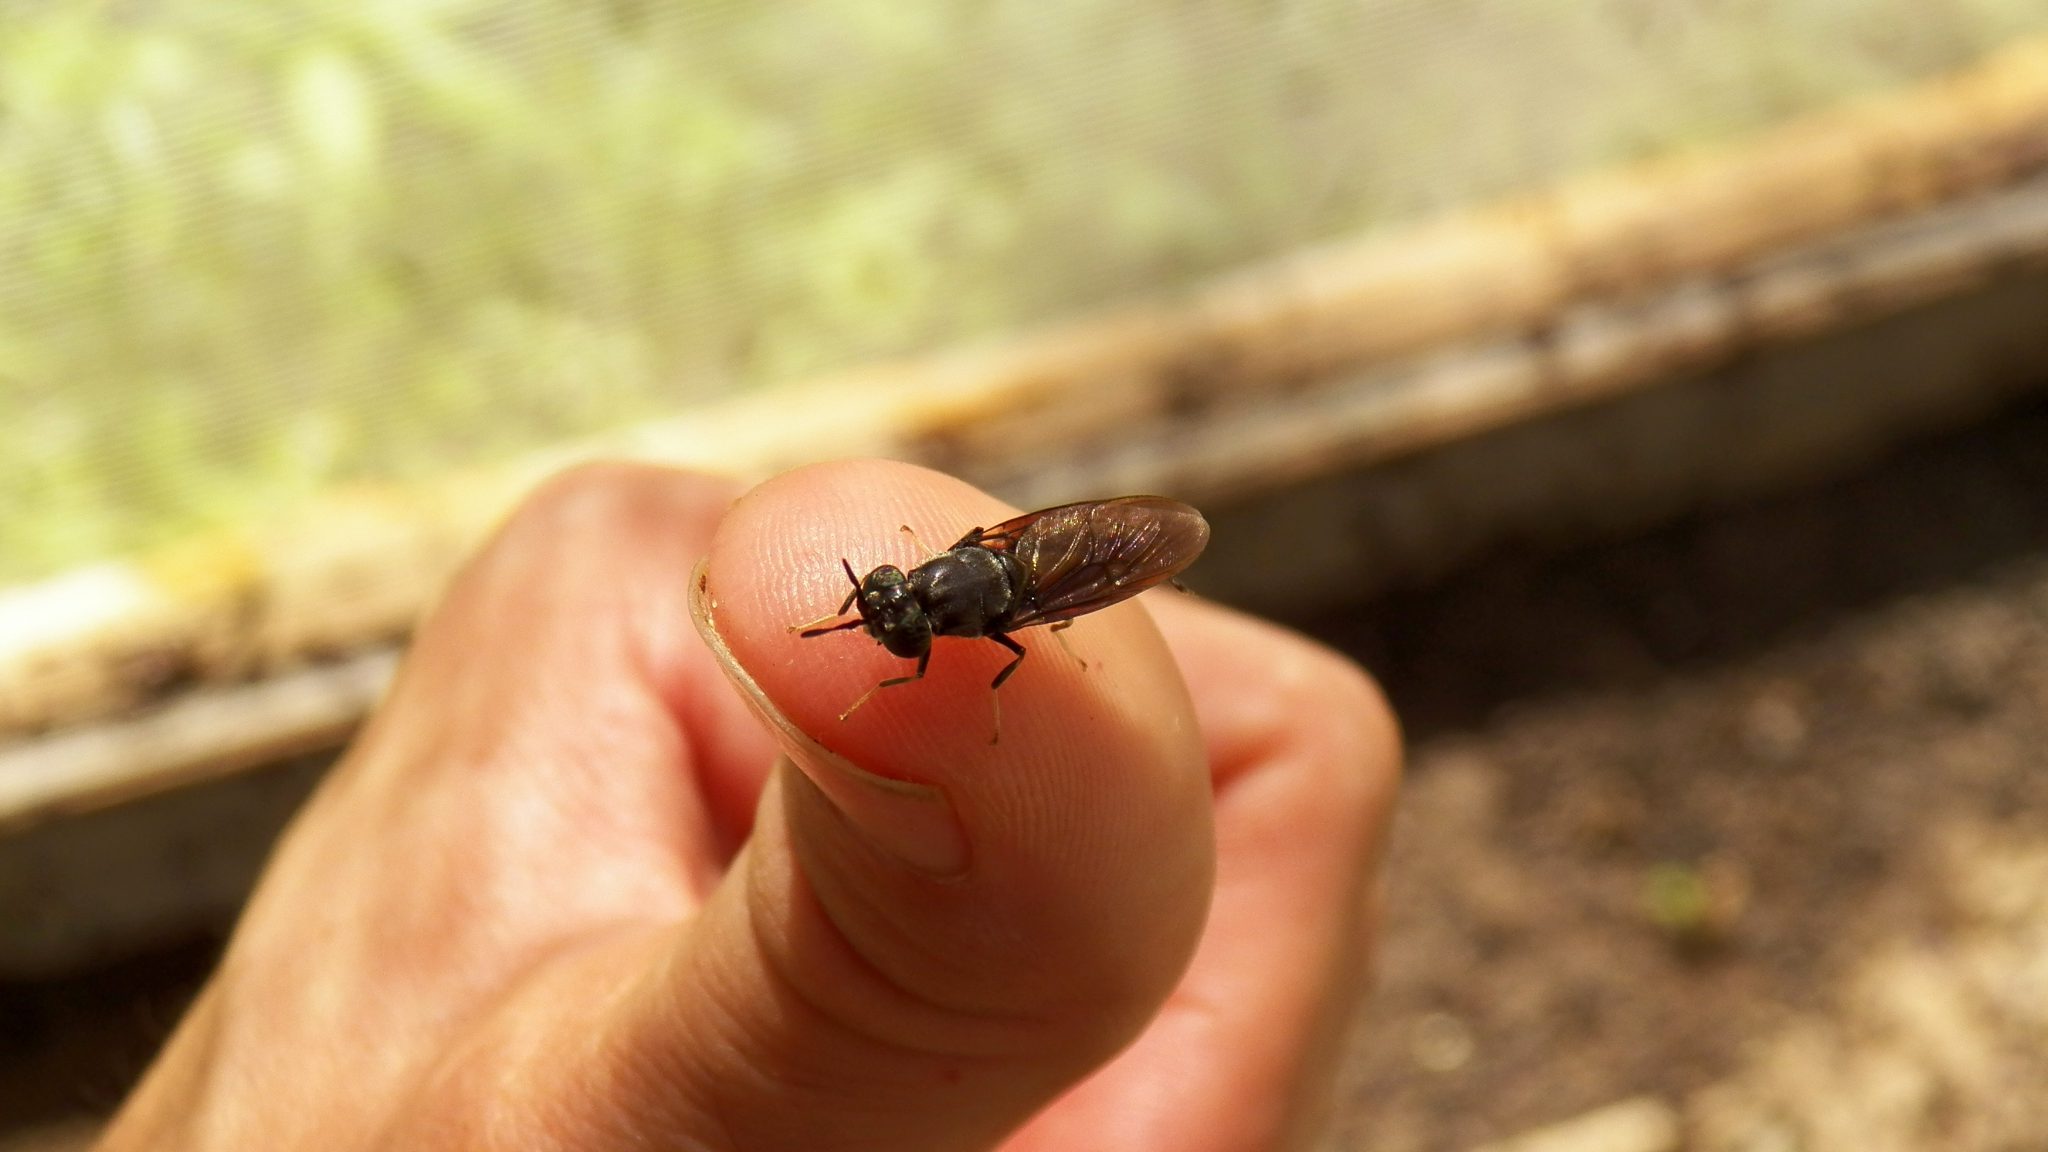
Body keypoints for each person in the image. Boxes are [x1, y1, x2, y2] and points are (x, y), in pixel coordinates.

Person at [94, 460, 1401, 1151]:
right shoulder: (936, 591)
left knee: (1020, 658)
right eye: (885, 609)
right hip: (1007, 577)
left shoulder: (983, 621)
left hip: (1027, 588)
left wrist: (977, 657)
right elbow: (960, 575)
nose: (885, 615)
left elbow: (1010, 587)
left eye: (891, 617)